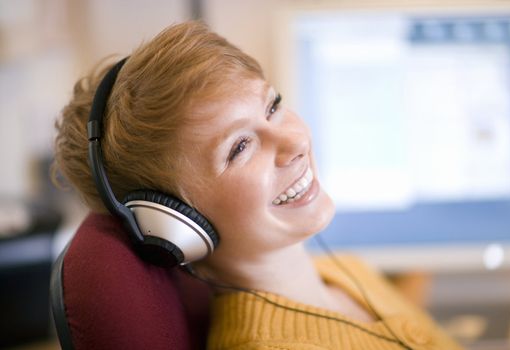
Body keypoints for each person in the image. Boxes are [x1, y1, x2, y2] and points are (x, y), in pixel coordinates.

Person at [53, 21, 463, 349]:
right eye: (241, 147)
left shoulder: (342, 273)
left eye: (273, 105)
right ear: (178, 224)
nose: (296, 142)